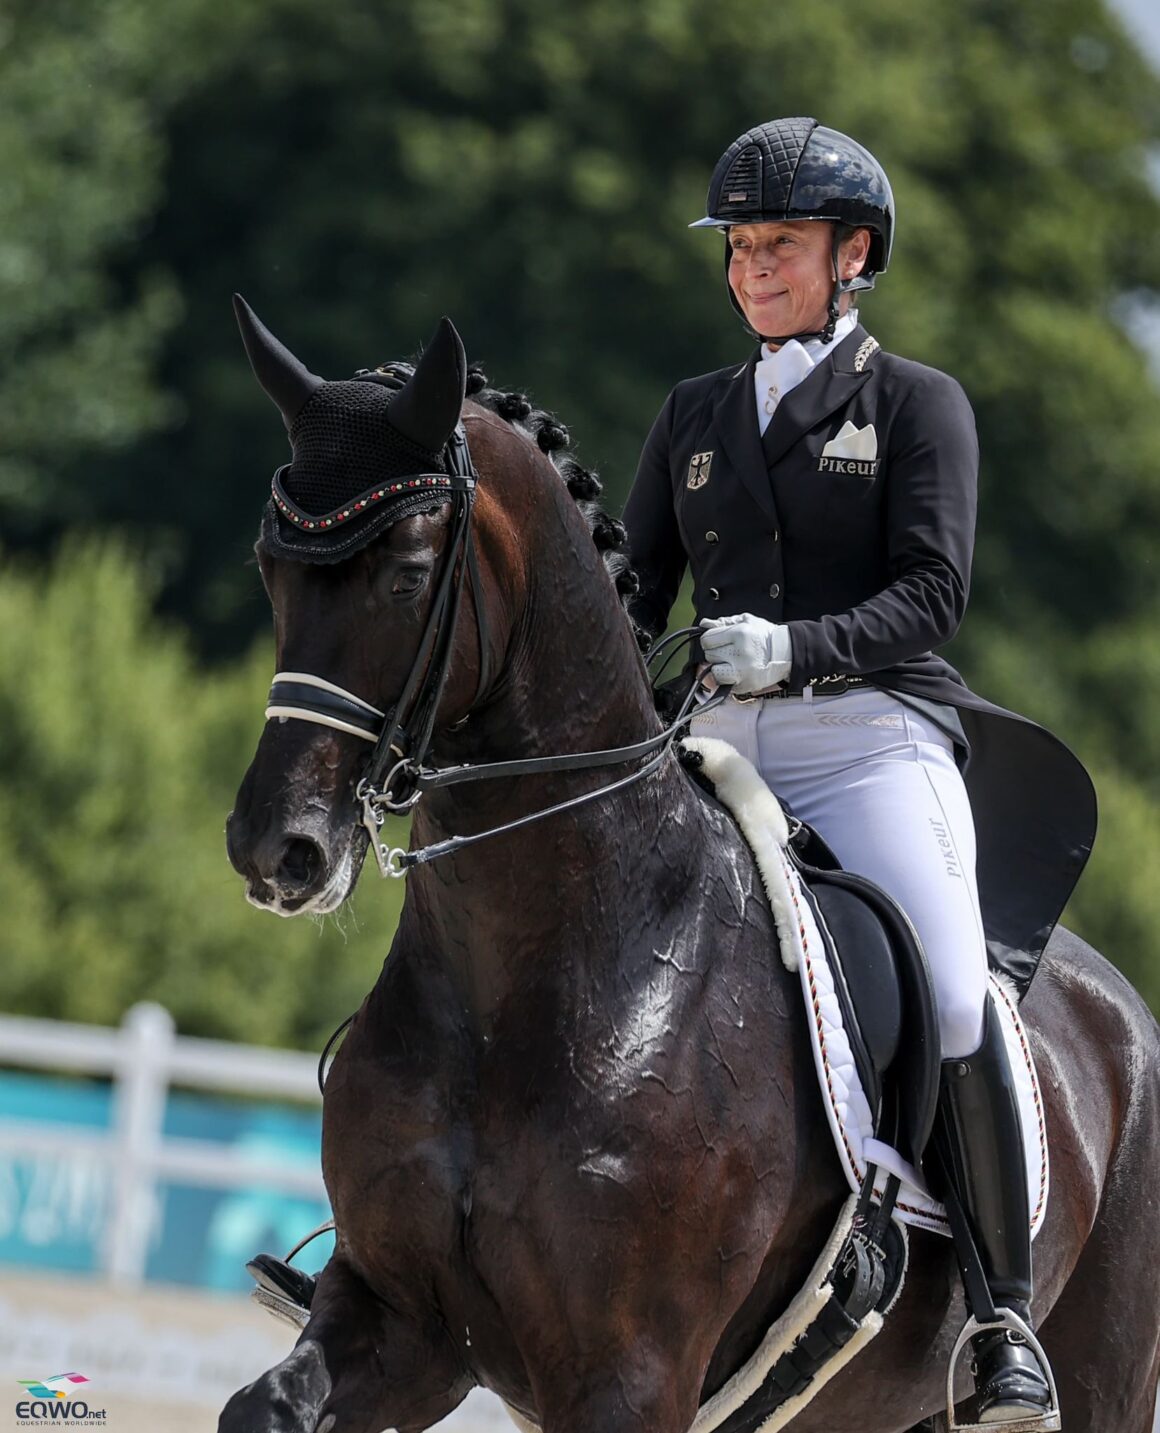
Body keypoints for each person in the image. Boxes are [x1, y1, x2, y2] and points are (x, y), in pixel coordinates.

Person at [622, 116, 1097, 1425]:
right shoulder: (696, 414)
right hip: (718, 740)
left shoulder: (914, 404)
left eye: (779, 244)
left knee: (956, 990)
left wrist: (799, 646)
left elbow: (935, 590)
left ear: (853, 254)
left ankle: (1003, 1319)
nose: (752, 267)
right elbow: (633, 592)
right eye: (739, 246)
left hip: (870, 738)